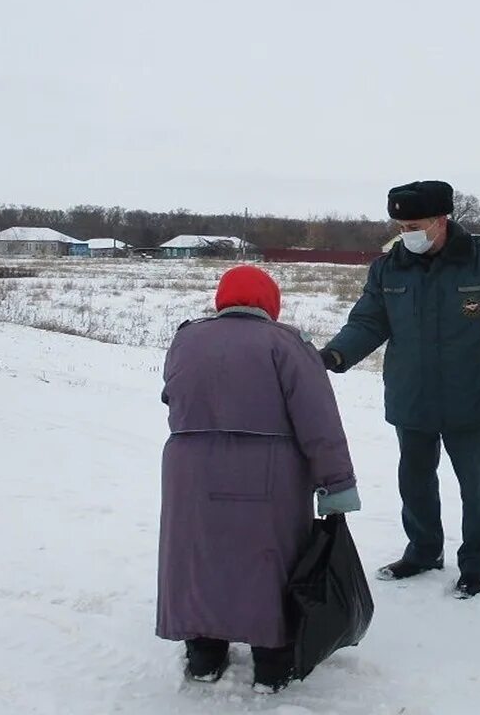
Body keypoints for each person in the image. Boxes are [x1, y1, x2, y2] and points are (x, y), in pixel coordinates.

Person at [320, 180, 480, 599]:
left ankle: (476, 564)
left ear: (442, 220)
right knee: (414, 480)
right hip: (411, 395)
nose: (406, 234)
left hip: (470, 396)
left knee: (477, 485)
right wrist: (336, 355)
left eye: (414, 225)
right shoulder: (388, 268)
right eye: (401, 225)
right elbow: (369, 321)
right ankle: (422, 551)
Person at [157, 265, 362, 693]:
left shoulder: (186, 339)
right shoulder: (287, 344)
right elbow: (318, 419)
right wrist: (336, 483)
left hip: (189, 471)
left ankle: (204, 653)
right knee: (269, 562)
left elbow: (171, 394)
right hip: (269, 474)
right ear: (270, 303)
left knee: (198, 557)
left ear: (222, 300)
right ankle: (272, 662)